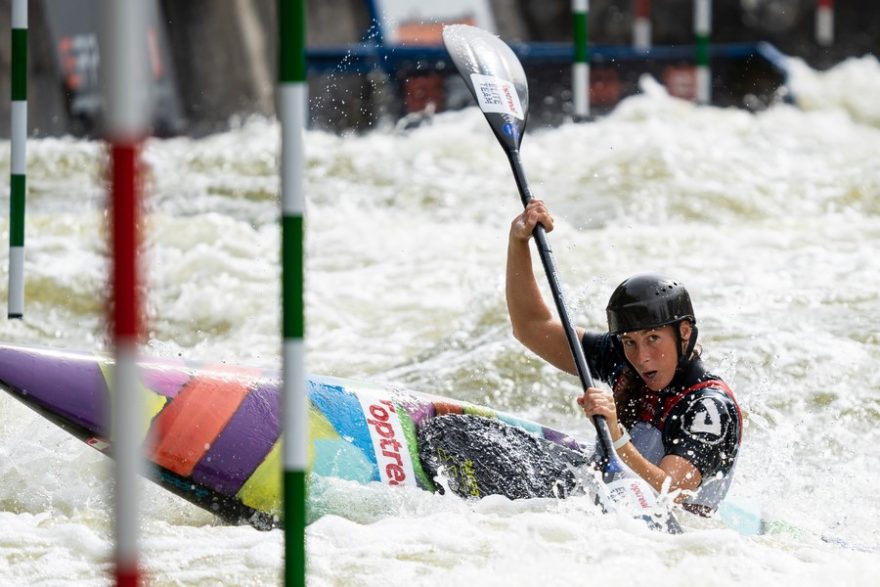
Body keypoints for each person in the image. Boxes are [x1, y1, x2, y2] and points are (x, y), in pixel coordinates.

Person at [506, 199, 742, 514]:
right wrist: (518, 241)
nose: (641, 357)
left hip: (676, 528)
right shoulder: (623, 357)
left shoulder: (709, 407)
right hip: (611, 498)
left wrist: (617, 437)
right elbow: (531, 328)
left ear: (684, 332)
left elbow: (674, 492)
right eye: (629, 341)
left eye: (653, 338)